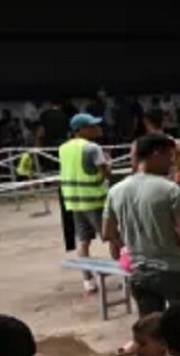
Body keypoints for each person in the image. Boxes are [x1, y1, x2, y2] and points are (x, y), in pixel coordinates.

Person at [102, 134, 180, 318]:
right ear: (156, 153)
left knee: (151, 330)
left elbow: (107, 232)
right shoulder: (170, 189)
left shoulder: (115, 191)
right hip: (172, 270)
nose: (171, 163)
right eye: (169, 157)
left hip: (138, 272)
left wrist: (127, 244)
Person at [59, 113, 111, 294]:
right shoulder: (92, 148)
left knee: (83, 241)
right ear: (81, 130)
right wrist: (108, 162)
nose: (97, 128)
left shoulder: (63, 148)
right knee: (113, 236)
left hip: (74, 201)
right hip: (95, 200)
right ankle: (125, 275)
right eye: (92, 126)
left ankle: (88, 280)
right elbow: (106, 172)